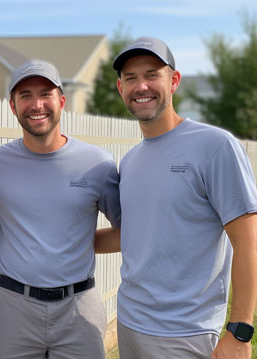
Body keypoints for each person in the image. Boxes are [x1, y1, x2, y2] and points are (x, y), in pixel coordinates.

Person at [0, 59, 121, 359]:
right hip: (13, 307)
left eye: (45, 94)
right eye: (25, 96)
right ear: (12, 106)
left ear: (61, 101)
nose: (36, 104)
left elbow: (125, 233)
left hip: (79, 307)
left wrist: (74, 244)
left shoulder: (98, 164)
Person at [110, 36, 257, 359]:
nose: (141, 86)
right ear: (121, 89)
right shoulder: (131, 160)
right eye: (131, 78)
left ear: (173, 81)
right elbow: (134, 234)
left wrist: (240, 332)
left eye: (151, 75)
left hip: (185, 333)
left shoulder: (215, 146)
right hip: (130, 324)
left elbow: (248, 240)